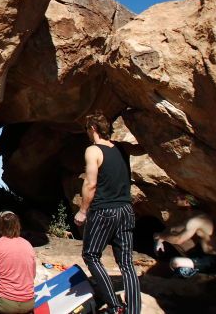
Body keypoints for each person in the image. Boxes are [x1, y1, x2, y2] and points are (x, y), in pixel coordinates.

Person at [74, 112, 140, 314]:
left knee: (91, 255)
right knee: (127, 263)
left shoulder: (93, 150)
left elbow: (91, 183)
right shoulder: (120, 149)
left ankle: (115, 305)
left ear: (92, 128)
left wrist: (83, 211)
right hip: (126, 209)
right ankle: (133, 310)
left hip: (105, 210)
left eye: (87, 129)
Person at [155, 213, 216, 278]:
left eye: (179, 198)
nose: (175, 201)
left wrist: (160, 236)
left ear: (187, 203)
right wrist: (161, 237)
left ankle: (197, 274)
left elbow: (178, 239)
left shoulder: (197, 220)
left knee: (175, 262)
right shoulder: (202, 217)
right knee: (177, 260)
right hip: (212, 257)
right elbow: (174, 228)